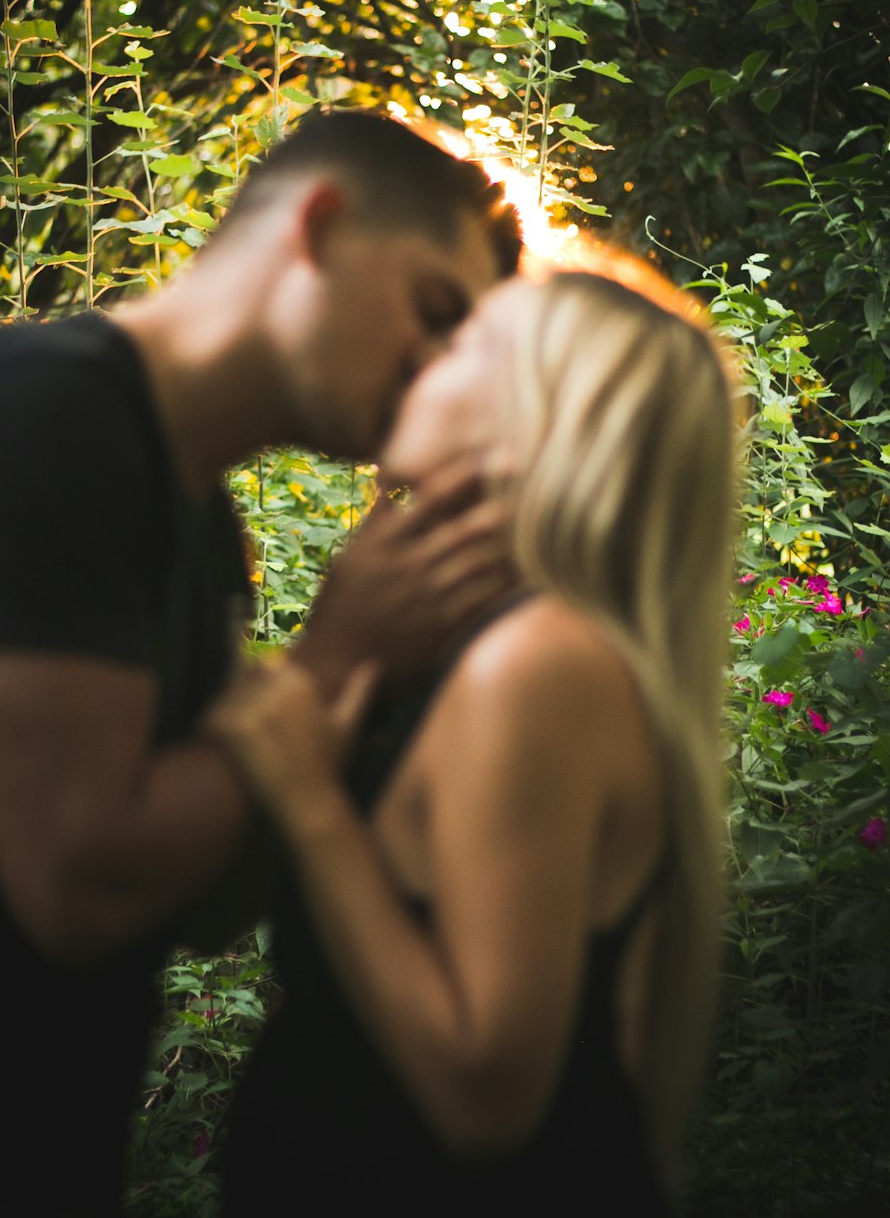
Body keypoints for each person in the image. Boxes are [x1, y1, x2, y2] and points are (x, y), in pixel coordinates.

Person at [0, 111, 521, 1217]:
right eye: (434, 312)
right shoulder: (44, 417)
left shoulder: (196, 516)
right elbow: (82, 886)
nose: (435, 369)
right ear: (319, 227)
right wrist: (332, 662)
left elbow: (198, 904)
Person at [210, 246, 740, 1213]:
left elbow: (484, 1100)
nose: (421, 351)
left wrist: (311, 801)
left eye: (466, 342)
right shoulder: (482, 649)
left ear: (536, 418)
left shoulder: (535, 667)